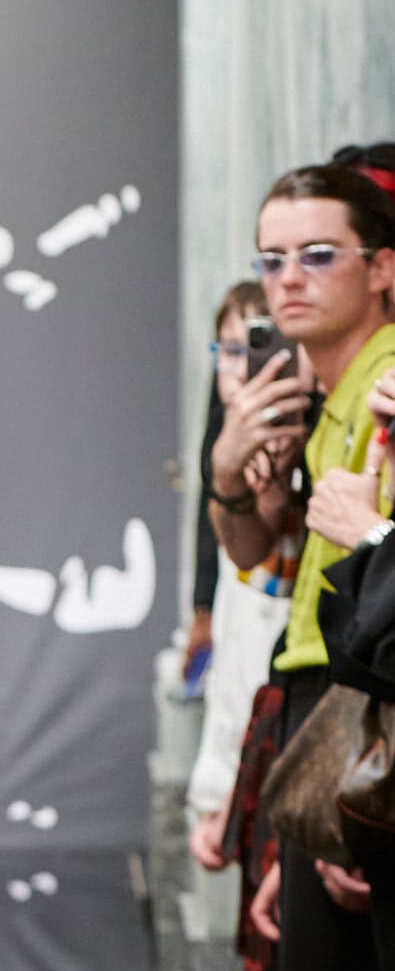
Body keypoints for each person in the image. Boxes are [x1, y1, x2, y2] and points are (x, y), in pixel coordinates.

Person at [205, 163, 395, 971]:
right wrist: (234, 464)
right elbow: (262, 559)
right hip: (330, 718)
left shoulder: (379, 386)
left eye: (313, 254)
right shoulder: (328, 391)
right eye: (270, 256)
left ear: (379, 268)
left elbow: (354, 592)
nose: (283, 280)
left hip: (360, 719)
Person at [187, 279, 295, 873]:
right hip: (244, 747)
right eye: (228, 349)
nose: (239, 368)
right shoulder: (224, 441)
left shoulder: (303, 441)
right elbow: (235, 661)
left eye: (256, 347)